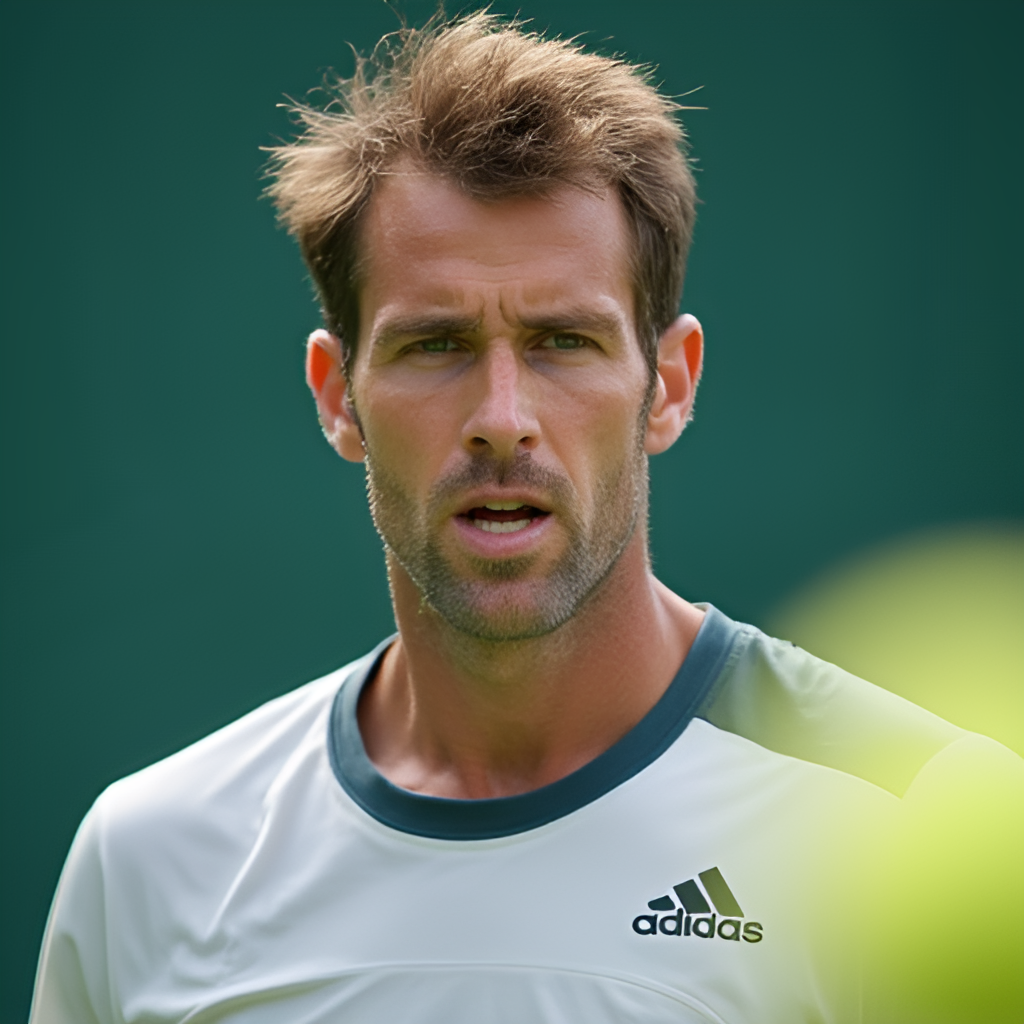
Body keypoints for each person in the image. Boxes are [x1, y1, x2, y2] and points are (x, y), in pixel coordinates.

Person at [30, 13, 1023, 1024]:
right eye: (435, 345)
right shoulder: (150, 858)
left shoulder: (926, 823)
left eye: (561, 340)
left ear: (669, 385)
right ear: (338, 397)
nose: (502, 420)